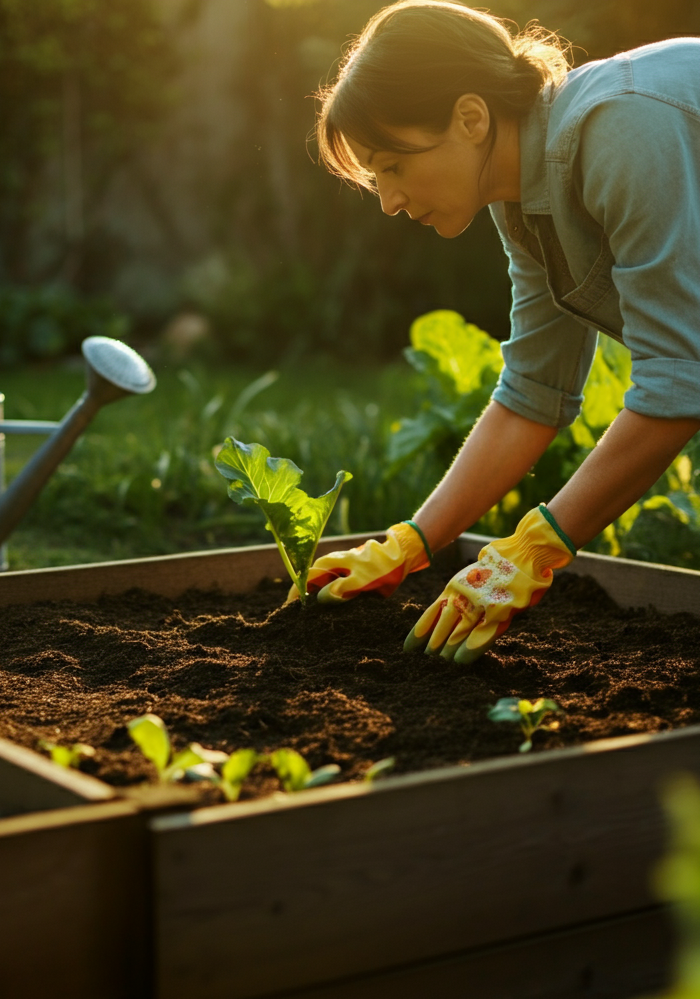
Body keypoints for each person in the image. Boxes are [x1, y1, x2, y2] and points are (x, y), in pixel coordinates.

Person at [300, 0, 700, 663]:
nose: (389, 201)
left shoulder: (620, 129)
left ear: (471, 117)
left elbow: (681, 380)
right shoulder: (523, 203)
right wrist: (413, 541)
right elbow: (534, 391)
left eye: (394, 165)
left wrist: (536, 546)